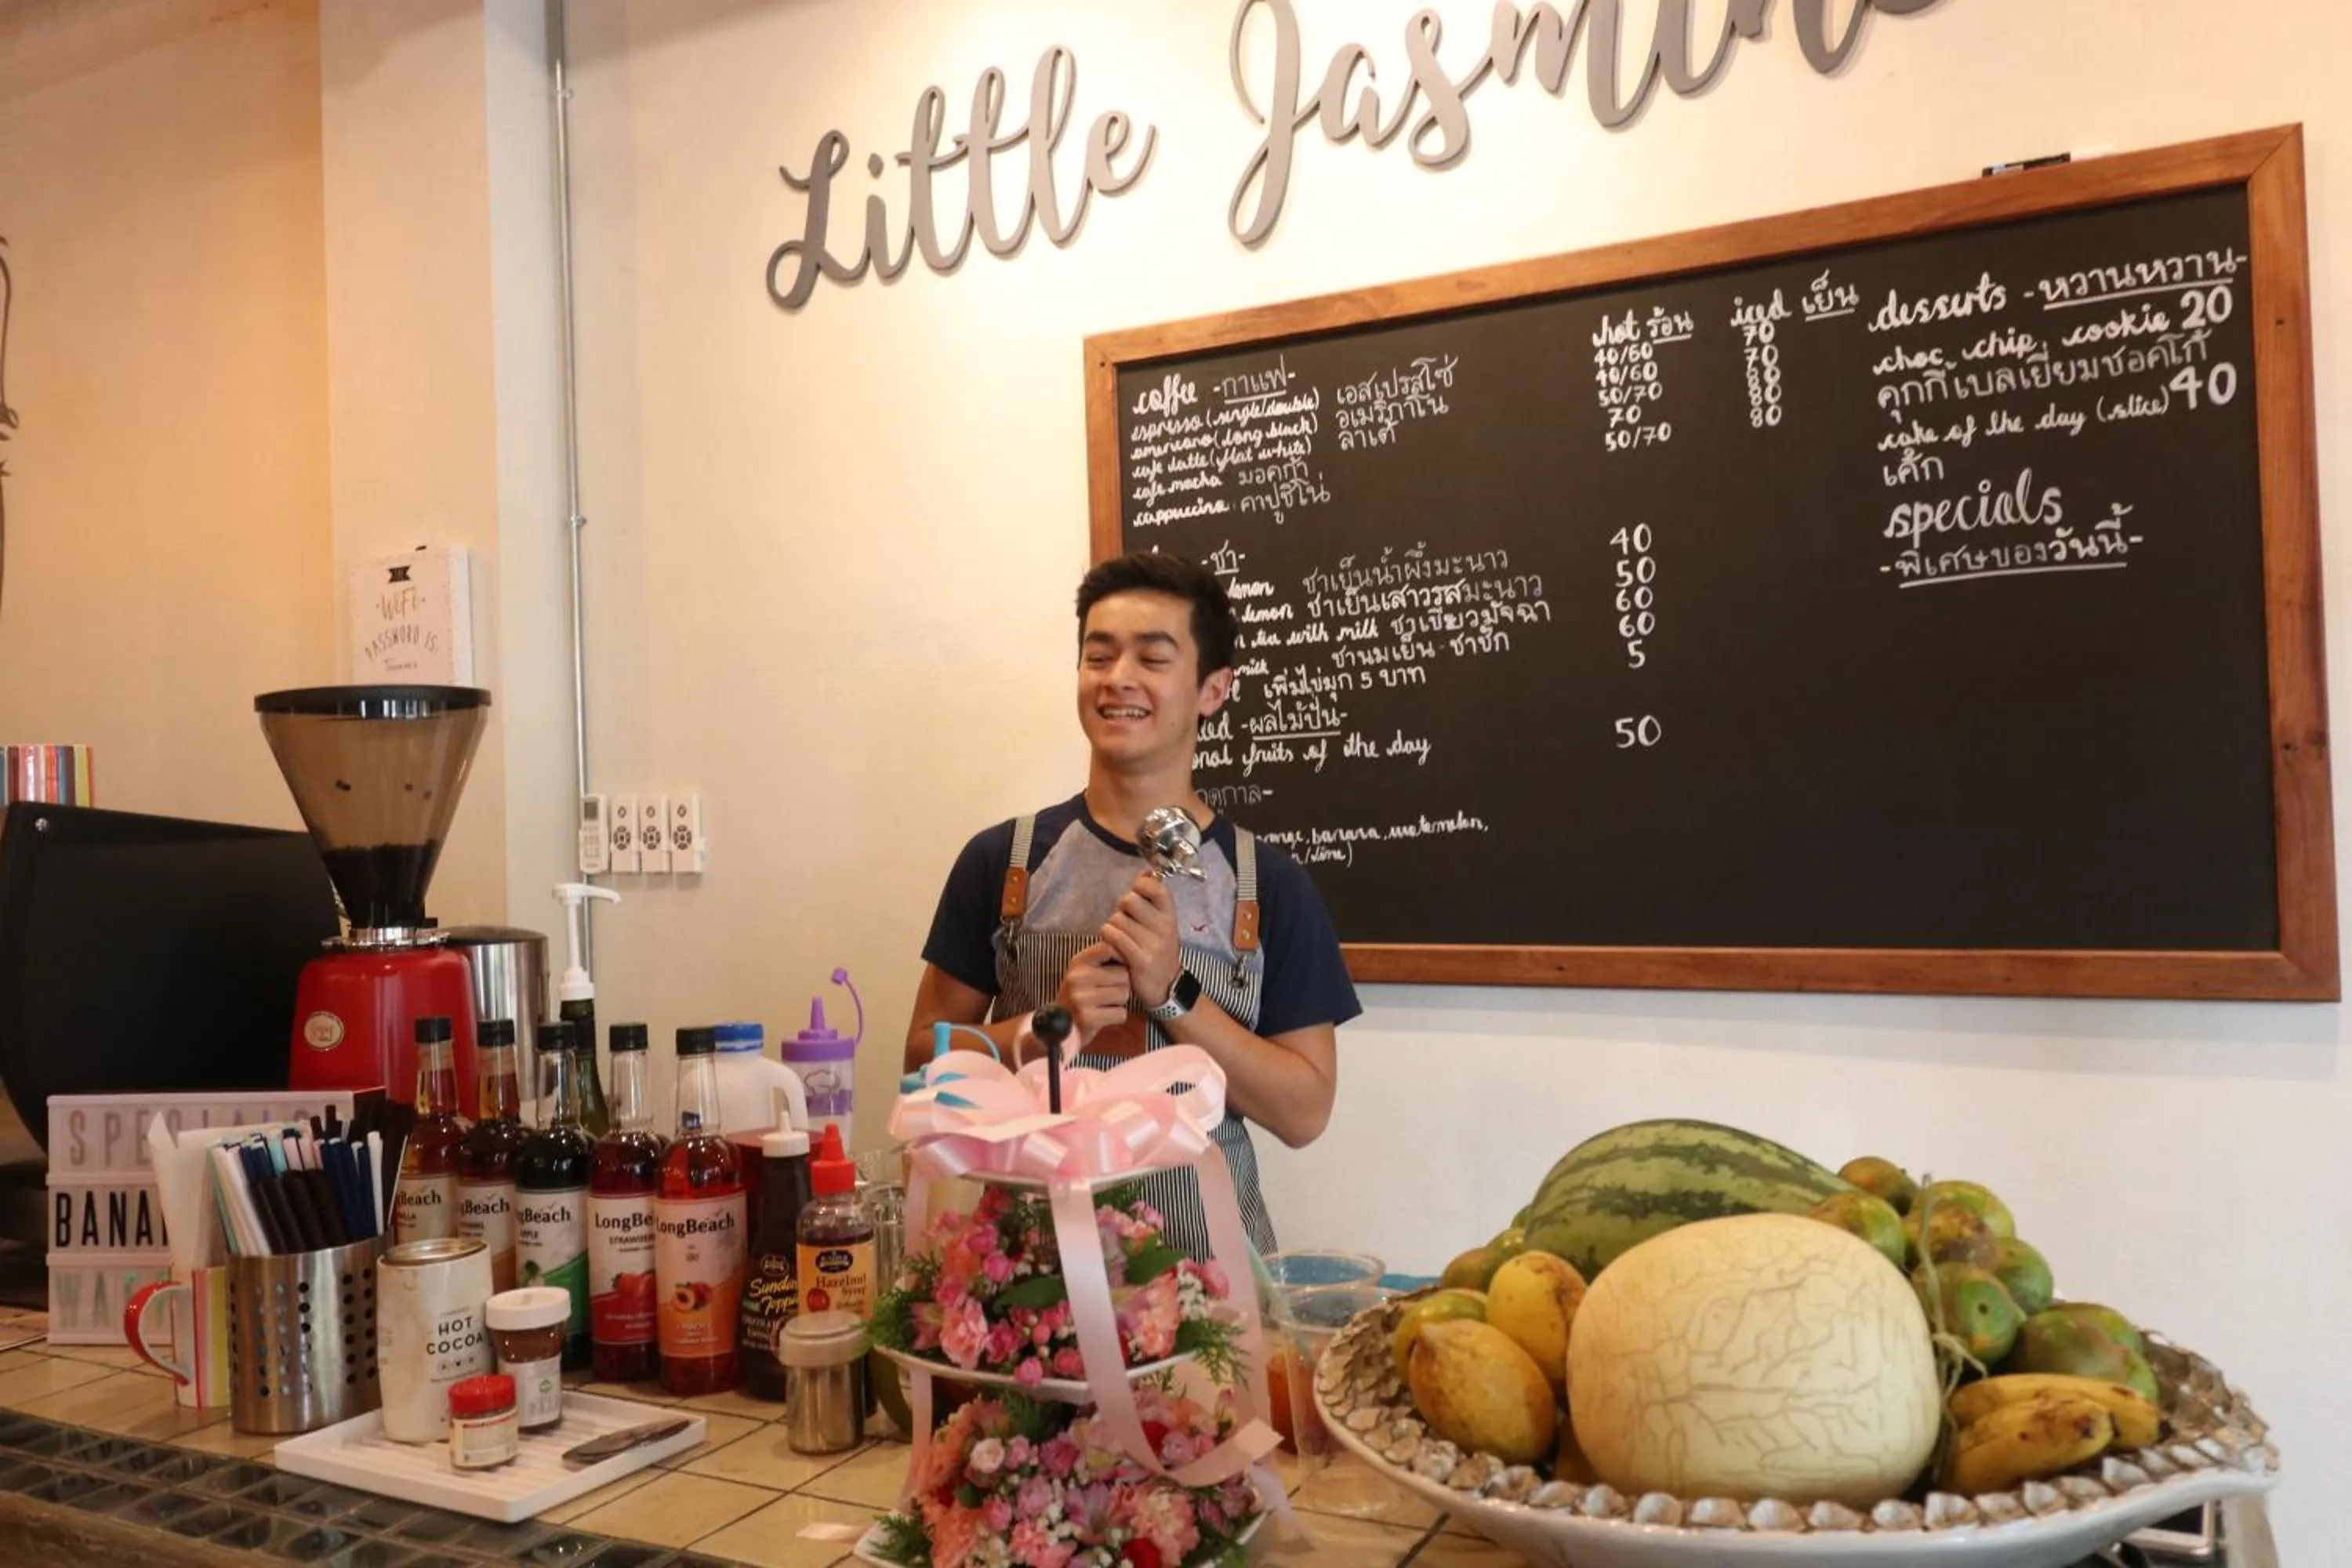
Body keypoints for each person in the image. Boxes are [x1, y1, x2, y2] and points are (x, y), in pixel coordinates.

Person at [906, 552, 1360, 1258]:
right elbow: (920, 1066)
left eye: (1152, 658)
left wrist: (1175, 996)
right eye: (1099, 654)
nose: (1118, 679)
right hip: (1027, 1285)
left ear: (1213, 689)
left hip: (1213, 1281)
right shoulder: (1004, 863)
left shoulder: (1268, 885)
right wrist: (1047, 1027)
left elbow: (1304, 1111)